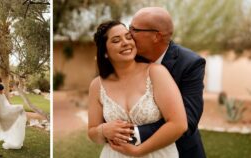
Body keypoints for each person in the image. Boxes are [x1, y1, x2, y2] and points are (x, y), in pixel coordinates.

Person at [106, 7, 207, 158]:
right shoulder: (129, 58)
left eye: (134, 29)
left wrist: (131, 134)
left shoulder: (190, 63)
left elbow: (188, 120)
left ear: (156, 36)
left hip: (181, 151)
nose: (129, 34)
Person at [88, 20, 187, 157]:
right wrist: (103, 130)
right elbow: (92, 133)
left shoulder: (156, 73)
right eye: (116, 40)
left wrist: (139, 150)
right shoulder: (97, 85)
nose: (126, 43)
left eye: (128, 37)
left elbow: (179, 124)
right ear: (105, 52)